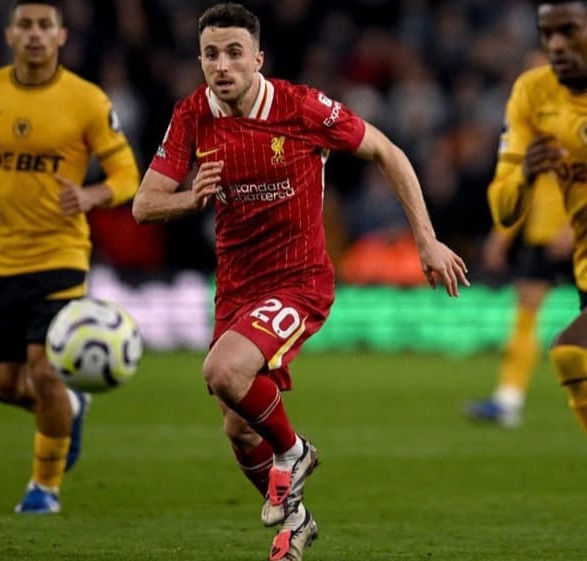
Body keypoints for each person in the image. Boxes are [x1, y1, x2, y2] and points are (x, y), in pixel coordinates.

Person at [132, 3, 469, 560]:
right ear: (200, 60)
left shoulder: (301, 107)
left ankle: (294, 452)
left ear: (258, 59)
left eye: (234, 52)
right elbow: (144, 205)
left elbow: (388, 152)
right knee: (239, 430)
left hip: (298, 279)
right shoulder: (192, 114)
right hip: (235, 286)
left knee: (222, 370)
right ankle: (297, 521)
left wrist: (426, 241)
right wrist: (190, 199)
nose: (222, 65)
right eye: (211, 54)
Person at [0, 0, 140, 514]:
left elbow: (127, 176)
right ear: (10, 34)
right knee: (2, 384)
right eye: (26, 25)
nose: (35, 34)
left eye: (46, 25)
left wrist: (90, 196)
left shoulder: (87, 100)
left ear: (62, 36)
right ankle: (71, 406)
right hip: (1, 257)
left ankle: (44, 488)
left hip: (62, 255)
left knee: (44, 371)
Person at [488, 0, 587, 441]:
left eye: (569, 32)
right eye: (548, 35)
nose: (557, 46)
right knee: (544, 326)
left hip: (566, 233)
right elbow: (506, 201)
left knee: (570, 349)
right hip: (550, 234)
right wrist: (524, 179)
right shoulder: (532, 100)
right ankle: (509, 396)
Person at [464, 211, 572, 428]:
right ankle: (508, 400)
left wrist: (572, 228)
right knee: (525, 319)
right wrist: (500, 237)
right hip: (543, 238)